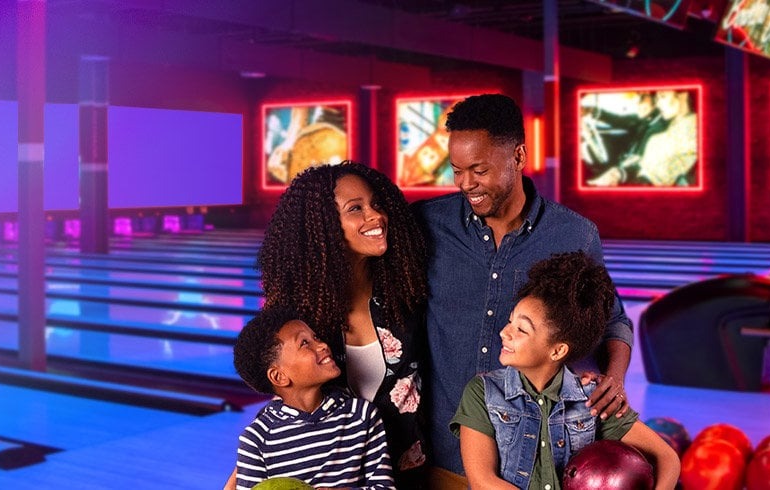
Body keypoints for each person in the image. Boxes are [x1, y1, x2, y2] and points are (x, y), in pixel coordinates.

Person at [415, 94, 635, 484]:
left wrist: (614, 379)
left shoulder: (574, 235)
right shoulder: (427, 225)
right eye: (457, 170)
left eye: (479, 170)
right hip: (442, 457)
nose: (466, 183)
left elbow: (612, 321)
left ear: (518, 156)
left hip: (533, 463)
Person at [257, 162, 431, 488]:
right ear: (322, 227)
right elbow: (283, 404)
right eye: (356, 209)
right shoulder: (297, 318)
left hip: (412, 476)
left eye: (376, 204)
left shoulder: (407, 292)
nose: (376, 216)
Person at [451, 252, 680, 489]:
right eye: (510, 322)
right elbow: (482, 481)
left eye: (521, 330)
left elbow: (667, 458)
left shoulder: (592, 398)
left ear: (558, 351)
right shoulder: (483, 392)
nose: (504, 333)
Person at [230, 307, 395, 489]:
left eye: (316, 337)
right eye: (305, 343)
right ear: (279, 376)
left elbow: (384, 487)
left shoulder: (361, 415)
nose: (323, 345)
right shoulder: (257, 438)